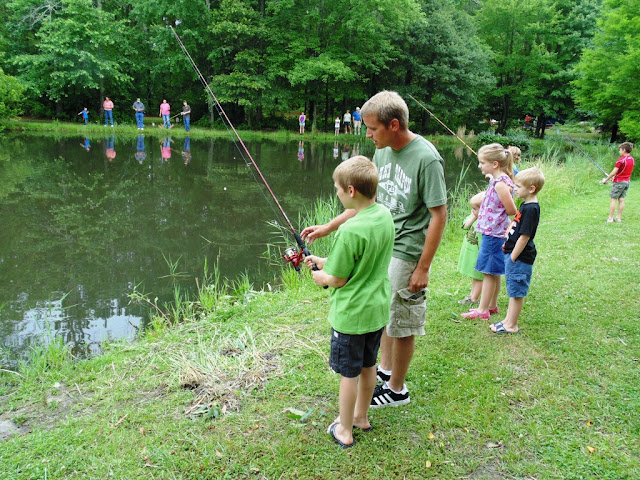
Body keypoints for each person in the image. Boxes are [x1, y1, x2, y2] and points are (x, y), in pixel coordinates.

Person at [302, 91, 448, 408]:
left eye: (372, 128)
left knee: (402, 321)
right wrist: (329, 227)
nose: (367, 135)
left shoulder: (426, 159)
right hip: (383, 246)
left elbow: (439, 215)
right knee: (383, 314)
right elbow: (366, 204)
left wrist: (422, 267)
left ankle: (396, 389)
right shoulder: (382, 153)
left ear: (393, 125)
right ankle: (384, 370)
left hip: (408, 249)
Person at [303, 155, 394, 448]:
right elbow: (359, 261)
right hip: (376, 311)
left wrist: (322, 276)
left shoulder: (350, 229)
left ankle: (344, 429)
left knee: (348, 374)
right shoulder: (384, 215)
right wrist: (325, 261)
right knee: (368, 366)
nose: (337, 193)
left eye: (337, 189)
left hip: (352, 315)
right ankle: (360, 417)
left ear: (351, 190)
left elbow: (338, 278)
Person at [462, 144, 516, 320]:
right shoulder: (499, 179)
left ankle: (482, 310)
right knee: (494, 272)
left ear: (495, 164)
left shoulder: (500, 184)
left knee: (487, 272)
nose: (479, 166)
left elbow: (511, 210)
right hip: (494, 233)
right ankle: (492, 306)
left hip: (494, 234)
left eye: (482, 162)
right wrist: (491, 176)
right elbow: (496, 180)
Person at [491, 167, 545, 334]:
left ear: (531, 188)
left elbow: (525, 236)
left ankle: (512, 325)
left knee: (516, 293)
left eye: (518, 186)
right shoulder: (525, 205)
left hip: (519, 258)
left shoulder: (531, 209)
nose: (515, 188)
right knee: (512, 290)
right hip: (512, 255)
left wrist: (513, 256)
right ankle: (507, 320)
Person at [457, 192, 485, 306]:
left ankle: (474, 298)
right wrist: (473, 217)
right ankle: (472, 294)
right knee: (474, 275)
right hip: (471, 251)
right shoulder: (472, 217)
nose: (472, 211)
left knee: (478, 276)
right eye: (472, 208)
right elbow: (465, 226)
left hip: (479, 252)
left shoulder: (486, 221)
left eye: (475, 209)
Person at [602, 142, 634, 223]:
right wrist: (615, 178)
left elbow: (614, 172)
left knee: (613, 199)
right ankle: (618, 218)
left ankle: (610, 218)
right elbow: (624, 172)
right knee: (621, 199)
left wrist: (606, 180)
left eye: (620, 150)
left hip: (619, 182)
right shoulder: (631, 159)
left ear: (624, 150)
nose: (619, 151)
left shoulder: (621, 160)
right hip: (626, 182)